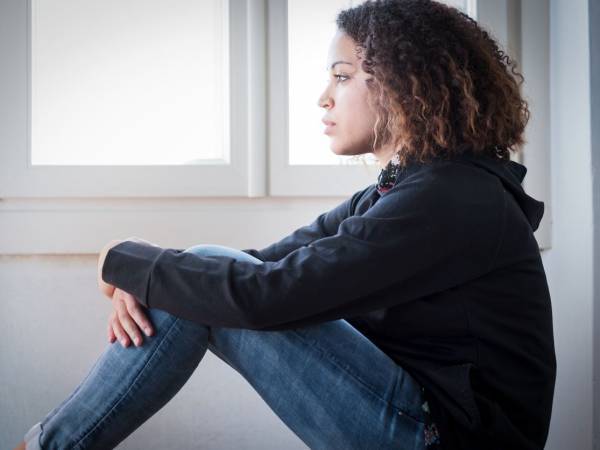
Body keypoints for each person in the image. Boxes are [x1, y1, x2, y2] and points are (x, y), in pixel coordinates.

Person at [14, 0, 556, 449]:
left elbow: (261, 295)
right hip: (421, 421)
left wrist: (120, 260)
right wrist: (140, 267)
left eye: (342, 78)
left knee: (204, 277)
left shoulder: (450, 199)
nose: (324, 98)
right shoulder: (401, 192)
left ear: (404, 86)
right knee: (200, 275)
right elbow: (264, 265)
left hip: (446, 438)